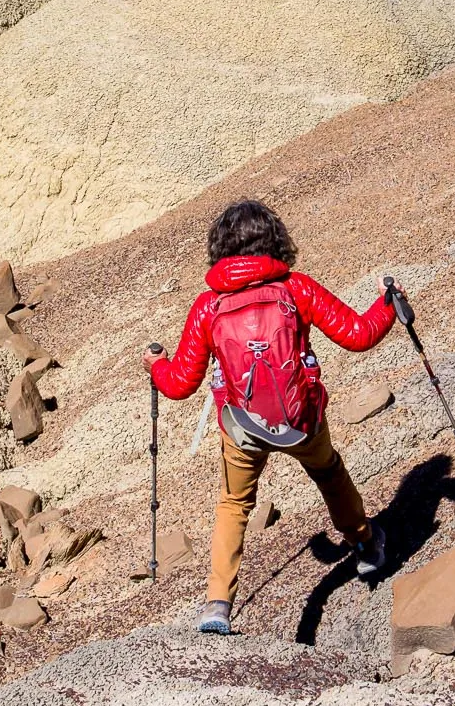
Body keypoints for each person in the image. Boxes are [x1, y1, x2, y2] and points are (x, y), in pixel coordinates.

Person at [147, 198, 397, 635]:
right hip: (301, 420)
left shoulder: (208, 307)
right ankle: (365, 545)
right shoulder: (296, 288)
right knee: (329, 472)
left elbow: (180, 384)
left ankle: (218, 605)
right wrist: (388, 303)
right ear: (275, 241)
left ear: (220, 248)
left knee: (233, 504)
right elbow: (358, 334)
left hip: (241, 426)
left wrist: (155, 366)